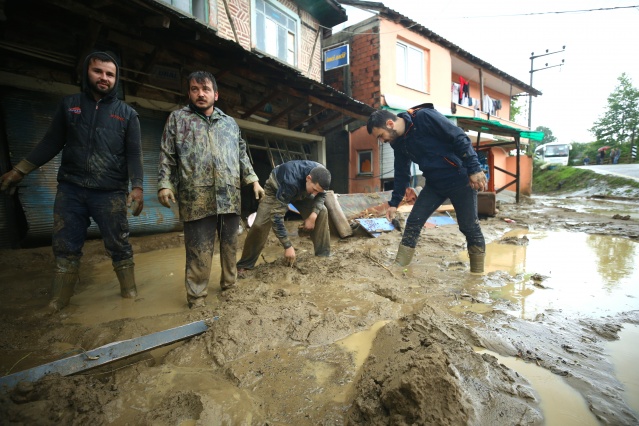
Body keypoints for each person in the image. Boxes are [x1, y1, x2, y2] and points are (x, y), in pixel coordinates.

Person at [0, 51, 144, 312]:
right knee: (65, 245)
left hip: (110, 192)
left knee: (118, 244)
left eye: (110, 74)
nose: (104, 78)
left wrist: (137, 188)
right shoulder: (70, 105)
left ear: (117, 79)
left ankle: (129, 293)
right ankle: (58, 301)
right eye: (98, 71)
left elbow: (134, 154)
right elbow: (51, 142)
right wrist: (20, 170)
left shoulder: (127, 114)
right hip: (71, 189)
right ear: (86, 72)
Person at [158, 70, 264, 309]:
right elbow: (167, 155)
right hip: (196, 197)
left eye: (205, 89)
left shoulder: (229, 123)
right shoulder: (178, 119)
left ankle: (230, 285)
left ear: (216, 95)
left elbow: (242, 154)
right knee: (199, 250)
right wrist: (165, 184)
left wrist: (254, 181)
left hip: (229, 195)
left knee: (230, 246)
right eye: (195, 89)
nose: (200, 94)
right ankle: (197, 299)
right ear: (189, 93)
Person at [366, 105, 487, 273]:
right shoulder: (398, 143)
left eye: (381, 135)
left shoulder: (424, 117)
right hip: (434, 184)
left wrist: (474, 169)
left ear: (390, 124)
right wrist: (394, 203)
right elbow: (401, 172)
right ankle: (399, 267)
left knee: (469, 226)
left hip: (460, 179)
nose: (382, 141)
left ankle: (477, 274)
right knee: (413, 222)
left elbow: (459, 136)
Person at [236, 160, 331, 273]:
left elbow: (321, 195)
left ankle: (323, 255)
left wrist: (313, 217)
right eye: (314, 190)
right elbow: (276, 216)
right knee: (259, 226)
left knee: (321, 211)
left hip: (301, 192)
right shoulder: (290, 181)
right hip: (275, 190)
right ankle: (245, 264)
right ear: (308, 178)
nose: (315, 194)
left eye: (318, 191)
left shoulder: (322, 174)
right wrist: (287, 246)